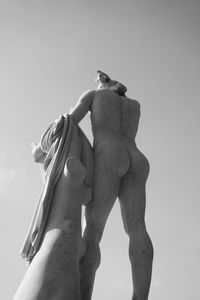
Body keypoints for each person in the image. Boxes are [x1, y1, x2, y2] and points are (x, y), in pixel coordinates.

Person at [70, 71, 154, 300]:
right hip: (137, 157)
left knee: (93, 231)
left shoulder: (93, 95)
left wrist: (45, 145)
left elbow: (68, 121)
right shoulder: (134, 105)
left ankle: (82, 295)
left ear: (102, 81)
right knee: (137, 228)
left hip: (109, 153)